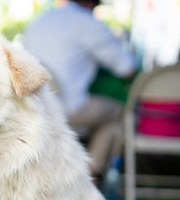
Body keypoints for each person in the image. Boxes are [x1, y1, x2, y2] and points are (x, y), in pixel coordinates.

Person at [23, 0, 137, 179]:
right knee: (118, 110)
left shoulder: (41, 20)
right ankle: (89, 177)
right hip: (65, 107)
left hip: (33, 106)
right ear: (92, 4)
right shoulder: (89, 24)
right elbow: (127, 68)